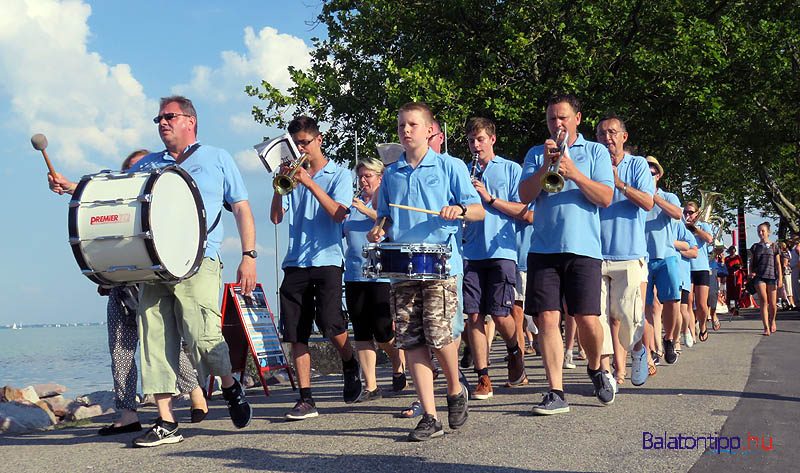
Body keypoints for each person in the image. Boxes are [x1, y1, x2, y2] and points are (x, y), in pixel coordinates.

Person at [115, 96, 255, 447]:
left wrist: (249, 255)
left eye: (169, 117)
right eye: (159, 118)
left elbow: (240, 207)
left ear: (190, 121)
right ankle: (166, 421)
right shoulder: (147, 164)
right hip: (156, 266)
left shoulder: (217, 158)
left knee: (202, 337)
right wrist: (72, 187)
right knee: (154, 340)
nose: (162, 123)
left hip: (200, 261)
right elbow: (115, 197)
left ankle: (229, 383)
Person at [47, 149, 209, 436]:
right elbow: (93, 203)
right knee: (120, 351)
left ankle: (194, 391)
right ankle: (127, 413)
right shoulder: (119, 202)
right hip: (120, 286)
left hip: (150, 282)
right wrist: (68, 185)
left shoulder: (157, 199)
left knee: (162, 344)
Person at [368, 102, 483, 441]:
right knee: (411, 339)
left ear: (430, 129)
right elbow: (385, 217)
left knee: (440, 333)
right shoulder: (391, 173)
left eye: (413, 125)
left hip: (441, 262)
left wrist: (458, 209)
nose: (406, 130)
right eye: (402, 125)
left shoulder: (450, 166)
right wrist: (379, 229)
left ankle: (454, 388)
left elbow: (478, 211)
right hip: (402, 264)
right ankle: (429, 416)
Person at [519, 93, 615, 414]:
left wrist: (574, 172)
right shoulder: (536, 153)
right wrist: (547, 165)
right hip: (544, 248)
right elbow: (524, 195)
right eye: (551, 119)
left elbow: (605, 197)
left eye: (562, 118)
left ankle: (596, 367)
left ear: (577, 118)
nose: (556, 124)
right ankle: (555, 391)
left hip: (583, 248)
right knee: (547, 318)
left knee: (587, 319)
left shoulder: (597, 151)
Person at [270, 116, 362, 420]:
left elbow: (339, 214)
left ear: (319, 140)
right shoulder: (293, 177)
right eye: (296, 145)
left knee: (331, 324)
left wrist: (309, 183)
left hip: (328, 259)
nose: (301, 150)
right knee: (296, 332)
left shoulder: (340, 174)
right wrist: (278, 186)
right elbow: (275, 218)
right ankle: (306, 398)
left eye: (305, 143)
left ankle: (349, 361)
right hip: (295, 261)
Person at [462, 117, 529, 399]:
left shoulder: (512, 169)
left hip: (502, 250)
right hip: (470, 252)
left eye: (480, 140)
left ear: (492, 140)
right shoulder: (463, 171)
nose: (475, 146)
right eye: (470, 141)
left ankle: (514, 350)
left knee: (501, 314)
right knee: (474, 315)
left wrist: (489, 198)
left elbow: (525, 210)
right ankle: (483, 376)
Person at [595, 115, 655, 388]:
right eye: (602, 133)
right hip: (595, 252)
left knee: (629, 318)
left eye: (612, 133)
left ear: (624, 137)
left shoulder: (638, 164)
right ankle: (606, 373)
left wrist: (619, 184)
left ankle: (639, 349)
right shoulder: (593, 164)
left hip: (629, 254)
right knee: (599, 318)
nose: (607, 137)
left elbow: (647, 202)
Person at [343, 157, 403, 402]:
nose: (363, 181)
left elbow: (388, 223)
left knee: (382, 329)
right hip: (355, 273)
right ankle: (371, 385)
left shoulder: (385, 203)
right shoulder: (351, 207)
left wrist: (364, 209)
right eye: (361, 176)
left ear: (380, 178)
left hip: (380, 275)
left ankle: (397, 359)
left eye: (368, 176)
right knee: (361, 331)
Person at [643, 156, 686, 366]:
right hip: (642, 257)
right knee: (647, 308)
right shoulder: (635, 196)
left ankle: (669, 338)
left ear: (658, 175)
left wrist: (655, 198)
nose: (647, 176)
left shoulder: (669, 196)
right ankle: (651, 351)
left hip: (666, 255)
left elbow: (678, 214)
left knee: (672, 302)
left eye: (651, 174)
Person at [683, 201, 715, 337]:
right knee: (688, 302)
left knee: (702, 304)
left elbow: (709, 239)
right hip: (686, 267)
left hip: (701, 267)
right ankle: (691, 332)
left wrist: (695, 229)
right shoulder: (681, 225)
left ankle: (702, 325)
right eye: (685, 212)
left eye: (690, 212)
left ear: (696, 214)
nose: (687, 215)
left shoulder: (703, 225)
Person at [749, 222, 782, 335]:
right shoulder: (755, 247)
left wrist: (780, 278)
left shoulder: (774, 246)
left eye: (763, 231)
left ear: (768, 232)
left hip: (772, 276)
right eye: (759, 231)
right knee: (764, 300)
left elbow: (778, 264)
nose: (760, 233)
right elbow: (751, 262)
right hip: (759, 276)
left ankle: (772, 321)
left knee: (773, 303)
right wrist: (750, 273)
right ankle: (765, 327)